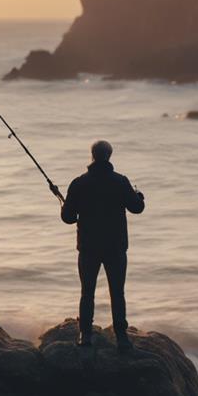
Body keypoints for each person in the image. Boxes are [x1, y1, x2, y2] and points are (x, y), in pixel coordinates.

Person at [60, 140, 145, 351]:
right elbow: (137, 208)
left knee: (87, 292)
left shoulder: (79, 183)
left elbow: (68, 218)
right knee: (118, 292)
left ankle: (85, 335)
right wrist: (140, 196)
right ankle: (122, 337)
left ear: (92, 156)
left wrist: (65, 204)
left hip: (88, 247)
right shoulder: (120, 182)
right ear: (109, 156)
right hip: (115, 247)